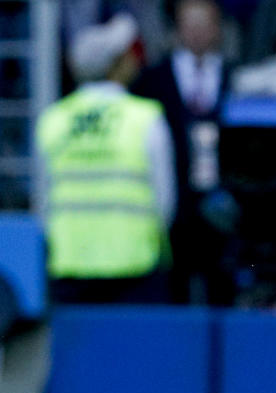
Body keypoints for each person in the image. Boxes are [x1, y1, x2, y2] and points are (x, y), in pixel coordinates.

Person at [36, 13, 176, 304]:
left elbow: (43, 202)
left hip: (71, 267)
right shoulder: (145, 118)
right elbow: (165, 201)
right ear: (117, 64)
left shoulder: (53, 119)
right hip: (136, 266)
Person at [132, 0, 230, 303]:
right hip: (174, 200)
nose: (198, 33)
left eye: (205, 25)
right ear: (177, 29)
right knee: (174, 289)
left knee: (222, 285)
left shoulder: (236, 77)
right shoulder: (151, 79)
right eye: (191, 25)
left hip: (222, 200)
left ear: (217, 29)